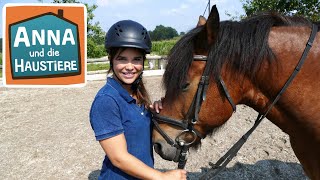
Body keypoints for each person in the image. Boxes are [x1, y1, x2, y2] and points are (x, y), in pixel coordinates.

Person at [89, 20, 187, 180]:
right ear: (111, 59)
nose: (129, 66)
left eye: (136, 59)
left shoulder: (136, 93)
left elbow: (136, 129)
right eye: (122, 59)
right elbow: (118, 158)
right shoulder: (106, 101)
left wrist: (154, 113)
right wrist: (161, 177)